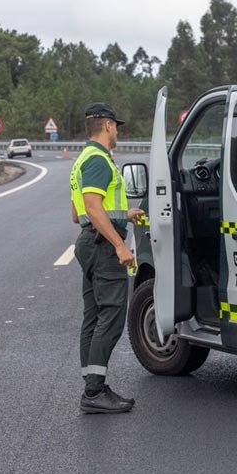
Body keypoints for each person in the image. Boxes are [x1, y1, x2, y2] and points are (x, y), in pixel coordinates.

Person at [70, 102, 144, 413]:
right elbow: (91, 207)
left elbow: (78, 214)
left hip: (89, 242)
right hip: (101, 246)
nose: (117, 133)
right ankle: (94, 392)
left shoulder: (83, 160)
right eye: (117, 127)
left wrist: (123, 214)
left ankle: (93, 384)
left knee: (93, 316)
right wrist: (119, 244)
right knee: (111, 316)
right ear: (108, 125)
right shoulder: (99, 159)